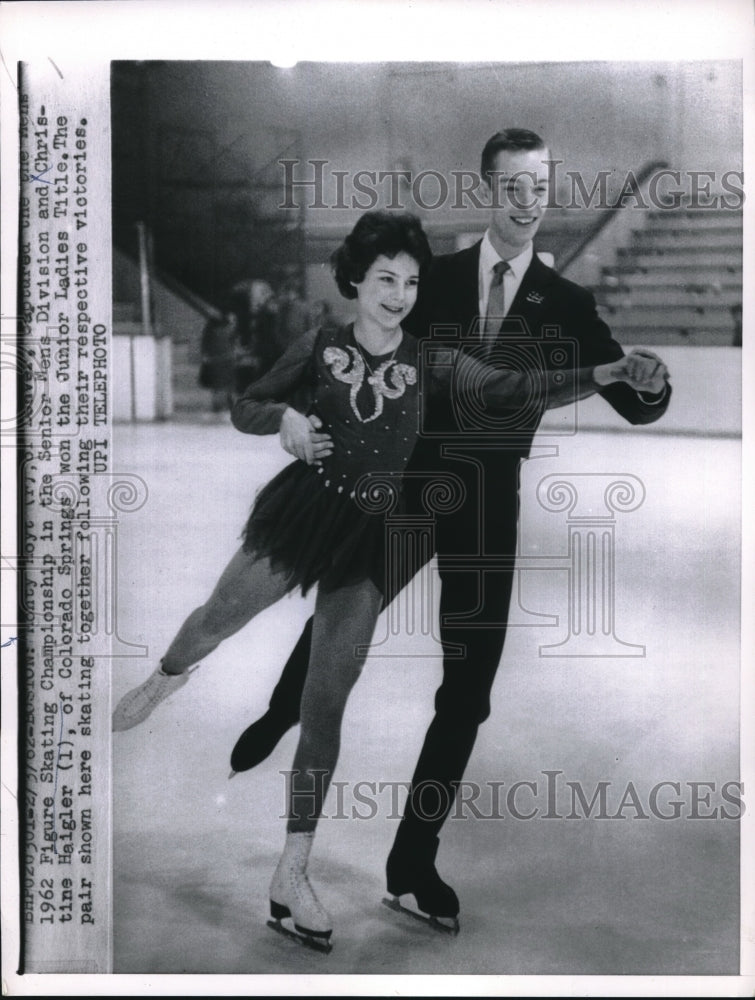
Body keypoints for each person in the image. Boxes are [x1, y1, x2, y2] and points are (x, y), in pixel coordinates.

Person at [111, 208, 661, 951]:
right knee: (215, 617)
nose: (398, 294)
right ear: (354, 281)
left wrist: (601, 371)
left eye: (409, 281)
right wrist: (285, 422)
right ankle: (167, 676)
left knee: (328, 704)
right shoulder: (319, 342)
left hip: (368, 542)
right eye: (384, 280)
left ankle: (292, 871)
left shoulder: (432, 360)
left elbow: (508, 390)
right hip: (303, 513)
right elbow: (247, 404)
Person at [228, 130, 673, 931]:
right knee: (342, 604)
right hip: (402, 487)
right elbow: (352, 351)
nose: (528, 201)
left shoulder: (565, 306)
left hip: (485, 506)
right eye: (513, 187)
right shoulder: (422, 279)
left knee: (467, 693)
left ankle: (411, 862)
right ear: (488, 189)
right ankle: (283, 707)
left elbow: (628, 393)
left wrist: (650, 380)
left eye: (540, 187)